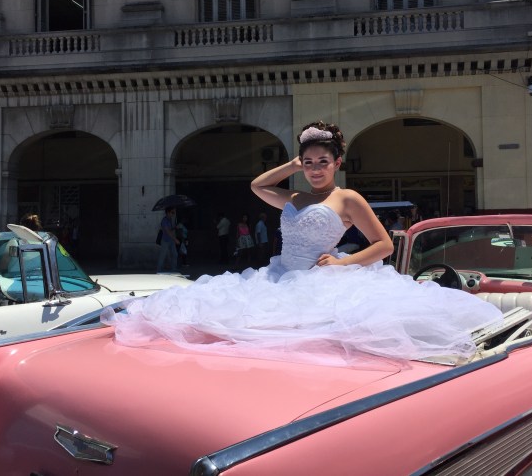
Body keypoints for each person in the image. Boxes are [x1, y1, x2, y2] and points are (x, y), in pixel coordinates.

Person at [105, 121, 502, 366]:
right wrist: (291, 164)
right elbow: (258, 185)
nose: (314, 169)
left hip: (321, 278)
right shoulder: (293, 196)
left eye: (322, 162)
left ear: (337, 163)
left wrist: (341, 264)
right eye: (308, 163)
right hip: (279, 276)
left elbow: (383, 245)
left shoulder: (347, 199)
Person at [157, 207, 179, 273]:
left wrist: (174, 228)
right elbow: (167, 231)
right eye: (172, 212)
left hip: (171, 240)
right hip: (165, 240)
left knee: (175, 254)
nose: (173, 214)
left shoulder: (170, 220)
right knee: (162, 256)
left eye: (174, 212)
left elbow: (170, 229)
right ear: (168, 213)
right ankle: (159, 270)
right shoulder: (164, 220)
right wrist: (175, 240)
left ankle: (173, 269)